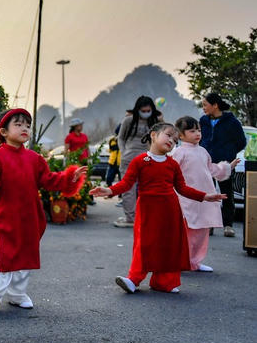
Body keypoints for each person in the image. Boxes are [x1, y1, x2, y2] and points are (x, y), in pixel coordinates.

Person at [92, 123, 226, 294]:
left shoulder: (172, 164)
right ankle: (133, 280)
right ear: (153, 135)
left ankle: (164, 282)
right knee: (144, 244)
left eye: (175, 139)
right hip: (148, 210)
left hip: (170, 211)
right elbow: (126, 183)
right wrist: (109, 190)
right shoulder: (140, 161)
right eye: (168, 135)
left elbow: (182, 188)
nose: (172, 140)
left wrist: (205, 196)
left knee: (169, 246)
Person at [0, 109, 86, 311]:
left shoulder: (34, 158)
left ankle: (17, 294)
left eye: (27, 125)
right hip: (7, 213)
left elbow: (49, 179)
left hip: (30, 215)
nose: (24, 128)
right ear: (4, 132)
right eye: (18, 124)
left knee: (25, 254)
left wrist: (71, 178)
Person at [171, 116, 236, 272]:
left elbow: (212, 169)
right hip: (186, 199)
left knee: (201, 231)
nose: (197, 133)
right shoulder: (179, 152)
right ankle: (181, 261)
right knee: (186, 232)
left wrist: (228, 167)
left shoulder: (203, 151)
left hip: (204, 198)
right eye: (192, 131)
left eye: (199, 130)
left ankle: (195, 261)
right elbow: (170, 174)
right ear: (180, 135)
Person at [199, 92, 247, 237]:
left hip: (225, 163)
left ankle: (228, 225)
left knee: (226, 193)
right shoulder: (203, 120)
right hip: (206, 162)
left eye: (205, 105)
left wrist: (228, 153)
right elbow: (199, 138)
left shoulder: (232, 122)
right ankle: (210, 224)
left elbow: (241, 142)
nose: (203, 108)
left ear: (215, 105)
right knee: (208, 192)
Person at [114, 96, 162, 227]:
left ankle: (146, 216)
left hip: (148, 158)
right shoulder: (128, 120)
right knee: (128, 187)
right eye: (143, 110)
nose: (146, 112)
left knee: (148, 188)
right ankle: (130, 218)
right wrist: (124, 152)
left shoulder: (156, 122)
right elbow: (121, 138)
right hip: (129, 157)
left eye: (148, 110)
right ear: (138, 109)